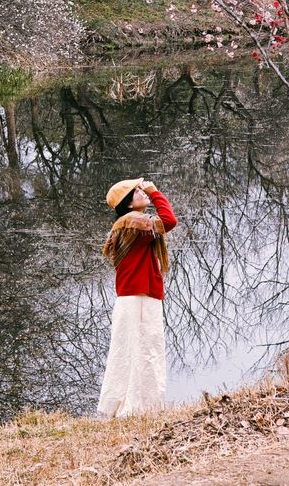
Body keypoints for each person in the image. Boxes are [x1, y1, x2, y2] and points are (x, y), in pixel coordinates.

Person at [97, 177, 177, 418]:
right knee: (143, 351)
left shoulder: (132, 223)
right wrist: (155, 193)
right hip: (138, 296)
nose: (142, 192)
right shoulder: (133, 223)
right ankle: (136, 407)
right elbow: (169, 221)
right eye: (136, 192)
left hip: (138, 295)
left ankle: (136, 405)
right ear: (128, 204)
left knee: (135, 351)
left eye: (141, 190)